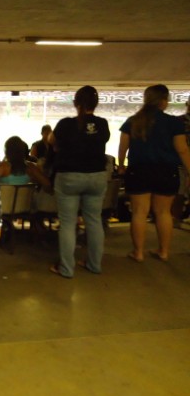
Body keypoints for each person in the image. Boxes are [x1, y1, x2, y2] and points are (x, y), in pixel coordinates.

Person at [118, 85, 190, 262]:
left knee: (139, 212)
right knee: (164, 212)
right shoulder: (174, 123)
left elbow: (123, 146)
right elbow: (182, 150)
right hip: (166, 171)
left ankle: (138, 252)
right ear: (164, 101)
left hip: (139, 170)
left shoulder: (133, 121)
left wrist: (121, 165)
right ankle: (164, 251)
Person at [49, 86, 110, 278]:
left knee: (67, 223)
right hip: (97, 176)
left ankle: (66, 269)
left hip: (69, 177)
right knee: (94, 221)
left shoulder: (65, 124)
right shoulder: (103, 124)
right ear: (96, 103)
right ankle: (94, 265)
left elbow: (52, 141)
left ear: (76, 103)